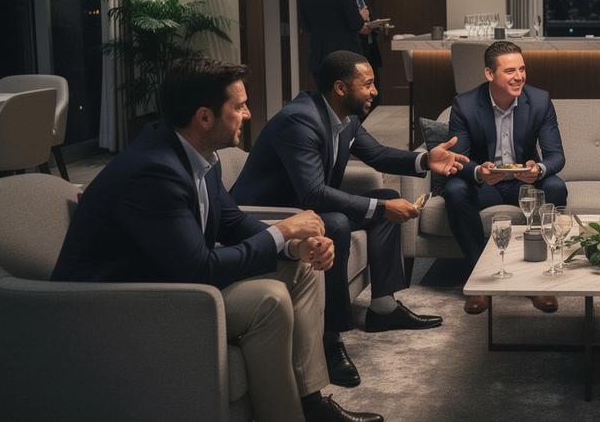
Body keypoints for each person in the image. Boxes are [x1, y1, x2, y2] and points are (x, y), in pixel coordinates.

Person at [51, 59, 382, 422]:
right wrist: (282, 231)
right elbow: (200, 268)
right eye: (238, 107)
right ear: (205, 117)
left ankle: (310, 403)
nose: (248, 113)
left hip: (165, 280)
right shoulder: (154, 171)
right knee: (267, 300)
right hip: (115, 304)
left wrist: (295, 247)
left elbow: (232, 222)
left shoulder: (200, 155)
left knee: (303, 269)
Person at [232, 50, 468, 390]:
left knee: (385, 200)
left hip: (305, 207)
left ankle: (383, 309)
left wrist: (424, 160)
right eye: (368, 84)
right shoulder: (299, 121)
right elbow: (313, 193)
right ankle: (331, 340)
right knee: (342, 222)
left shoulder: (346, 118)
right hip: (268, 215)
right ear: (341, 88)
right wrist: (379, 209)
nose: (375, 91)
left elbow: (378, 155)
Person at [444, 41, 569, 315]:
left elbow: (556, 156)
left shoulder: (539, 100)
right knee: (453, 190)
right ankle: (480, 282)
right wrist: (479, 171)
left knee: (556, 187)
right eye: (510, 71)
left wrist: (538, 170)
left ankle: (539, 280)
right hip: (485, 185)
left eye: (522, 69)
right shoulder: (464, 105)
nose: (519, 77)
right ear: (490, 74)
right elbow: (457, 158)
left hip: (524, 185)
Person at [300, 0, 365, 86]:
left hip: (319, 56)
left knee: (324, 98)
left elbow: (306, 25)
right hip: (344, 57)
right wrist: (361, 16)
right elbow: (356, 24)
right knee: (344, 99)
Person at [346, 0, 382, 108]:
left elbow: (369, 19)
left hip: (371, 48)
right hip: (356, 49)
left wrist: (377, 25)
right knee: (359, 93)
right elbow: (349, 24)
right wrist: (360, 21)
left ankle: (361, 123)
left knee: (375, 92)